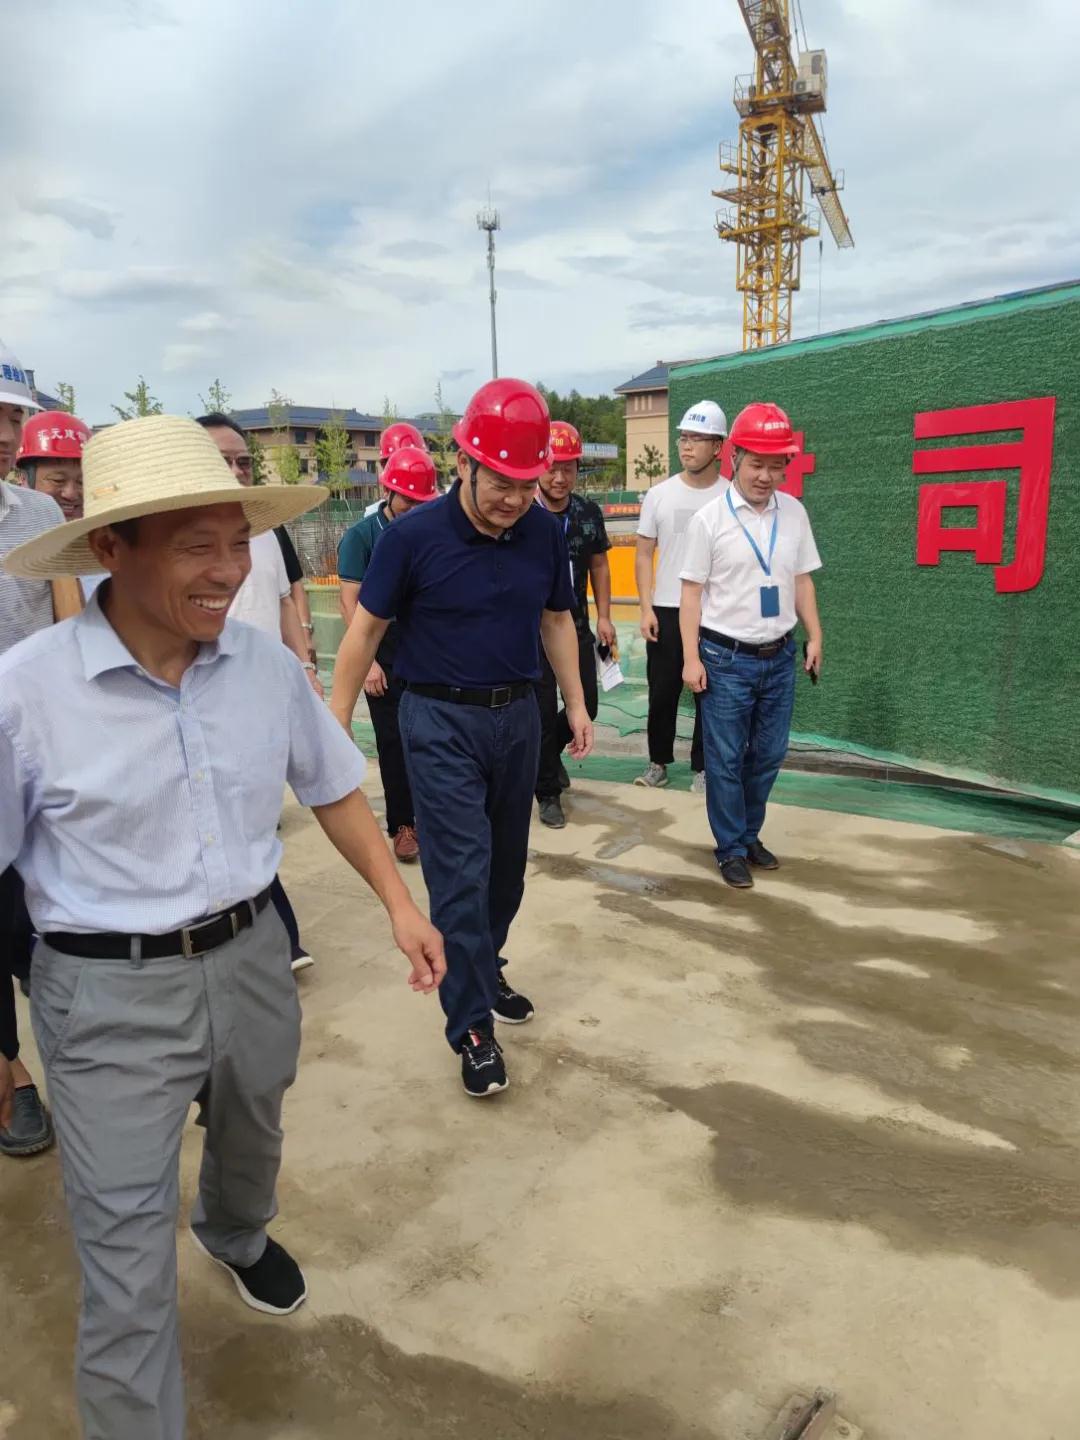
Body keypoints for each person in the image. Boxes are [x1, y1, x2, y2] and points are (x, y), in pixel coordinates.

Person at [0, 414, 445, 1439]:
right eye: (195, 544)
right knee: (125, 1264)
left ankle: (237, 1233)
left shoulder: (260, 667)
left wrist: (398, 903)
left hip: (251, 958)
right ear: (111, 548)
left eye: (238, 542)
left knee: (255, 1126)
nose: (228, 570)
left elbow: (330, 786)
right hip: (104, 996)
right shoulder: (27, 696)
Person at [330, 378, 593, 1098]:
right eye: (501, 483)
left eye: (527, 485)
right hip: (439, 720)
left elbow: (557, 620)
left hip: (518, 717)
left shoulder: (543, 532)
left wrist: (573, 703)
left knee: (506, 872)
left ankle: (483, 966)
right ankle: (472, 1025)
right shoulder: (412, 538)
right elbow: (365, 632)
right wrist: (336, 722)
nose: (514, 499)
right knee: (460, 875)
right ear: (465, 464)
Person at [680, 402, 823, 889]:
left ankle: (748, 833)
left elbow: (801, 579)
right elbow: (691, 594)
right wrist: (691, 658)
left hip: (779, 656)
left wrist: (815, 634)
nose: (766, 476)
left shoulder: (794, 513)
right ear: (735, 457)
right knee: (724, 760)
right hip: (725, 660)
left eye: (776, 466)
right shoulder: (709, 520)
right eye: (757, 464)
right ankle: (731, 849)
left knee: (768, 754)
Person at [198, 413, 321, 972]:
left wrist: (305, 665)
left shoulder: (269, 532)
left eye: (243, 461)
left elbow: (283, 601)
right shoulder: (170, 540)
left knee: (251, 821)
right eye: (220, 460)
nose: (236, 470)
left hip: (260, 698)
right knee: (234, 824)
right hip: (200, 703)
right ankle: (281, 937)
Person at [0, 343, 72, 1159]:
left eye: (11, 416)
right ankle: (12, 1074)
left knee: (42, 923)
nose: (2, 432)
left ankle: (77, 1058)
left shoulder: (41, 517)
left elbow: (67, 622)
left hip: (33, 752)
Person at [338, 445, 438, 862]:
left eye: (421, 501)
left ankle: (433, 818)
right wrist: (369, 663)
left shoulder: (433, 531)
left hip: (425, 642)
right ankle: (403, 824)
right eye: (407, 500)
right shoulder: (362, 537)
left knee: (432, 736)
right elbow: (350, 603)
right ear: (387, 492)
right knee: (394, 741)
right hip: (381, 642)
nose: (414, 508)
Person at [634, 400, 728, 792]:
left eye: (697, 439)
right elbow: (643, 554)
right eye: (683, 438)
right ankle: (658, 762)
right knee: (662, 693)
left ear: (718, 447)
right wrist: (646, 608)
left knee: (711, 694)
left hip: (716, 613)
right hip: (667, 610)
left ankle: (703, 768)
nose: (687, 446)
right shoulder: (659, 494)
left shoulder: (730, 497)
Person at [533, 420, 614, 829]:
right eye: (552, 468)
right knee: (542, 712)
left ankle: (545, 757)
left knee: (587, 705)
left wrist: (605, 615)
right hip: (532, 635)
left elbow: (599, 565)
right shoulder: (523, 513)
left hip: (576, 629)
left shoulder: (588, 513)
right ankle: (547, 792)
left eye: (568, 468)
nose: (560, 477)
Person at [16, 408, 102, 602]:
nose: (71, 494)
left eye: (81, 482)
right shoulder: (9, 547)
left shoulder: (108, 550)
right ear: (23, 479)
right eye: (57, 480)